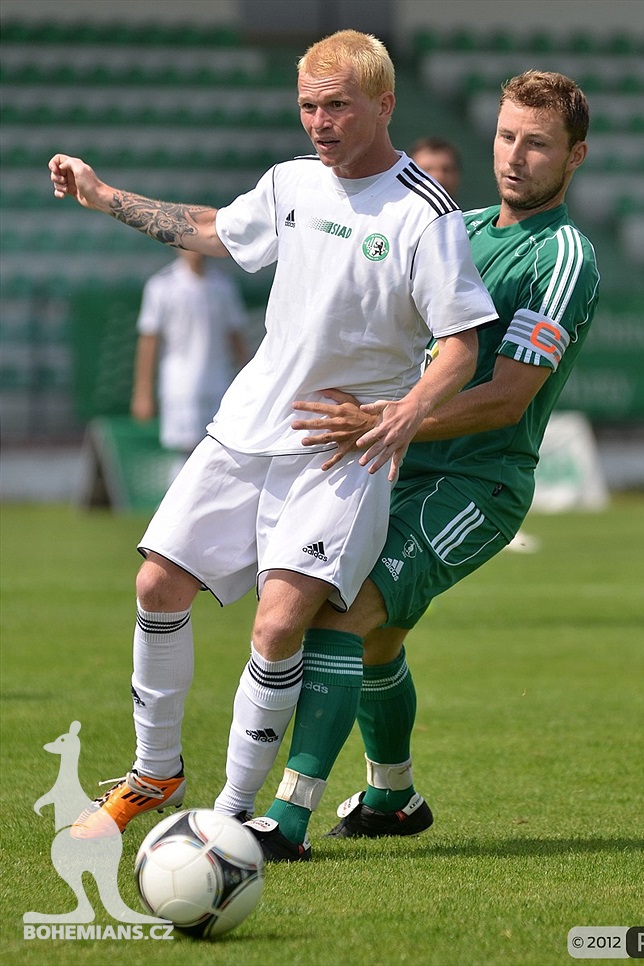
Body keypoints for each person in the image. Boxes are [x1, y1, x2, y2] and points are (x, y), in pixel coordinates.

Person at [48, 30, 497, 849]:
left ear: (384, 105)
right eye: (308, 106)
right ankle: (155, 774)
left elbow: (461, 345)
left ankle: (229, 816)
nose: (319, 123)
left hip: (340, 448)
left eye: (337, 106)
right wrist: (106, 195)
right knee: (156, 587)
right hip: (249, 426)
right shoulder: (290, 182)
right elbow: (217, 231)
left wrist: (407, 411)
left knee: (278, 625)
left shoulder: (423, 213)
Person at [238, 70, 600, 858]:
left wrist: (387, 421)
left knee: (342, 614)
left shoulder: (565, 257)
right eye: (507, 136)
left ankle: (289, 818)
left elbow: (507, 399)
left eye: (538, 144)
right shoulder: (460, 228)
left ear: (574, 157)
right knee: (377, 639)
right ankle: (392, 796)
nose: (515, 156)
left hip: (479, 483)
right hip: (400, 461)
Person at [131, 249, 250, 454]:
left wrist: (250, 385)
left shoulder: (223, 286)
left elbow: (235, 337)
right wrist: (142, 393)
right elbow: (149, 341)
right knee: (184, 454)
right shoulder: (161, 286)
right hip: (180, 388)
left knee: (220, 451)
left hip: (219, 386)